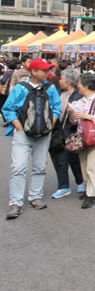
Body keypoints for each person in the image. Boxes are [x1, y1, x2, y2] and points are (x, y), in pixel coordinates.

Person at [3, 58, 62, 219]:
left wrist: (52, 121)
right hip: (23, 133)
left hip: (44, 133)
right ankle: (16, 202)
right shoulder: (21, 88)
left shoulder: (50, 88)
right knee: (18, 167)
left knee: (40, 166)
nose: (47, 72)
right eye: (44, 70)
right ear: (34, 72)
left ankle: (35, 197)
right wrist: (19, 127)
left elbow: (57, 107)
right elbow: (7, 109)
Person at [71, 72, 95, 209]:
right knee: (83, 165)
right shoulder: (79, 101)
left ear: (86, 85)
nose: (78, 87)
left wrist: (88, 116)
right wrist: (73, 114)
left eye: (79, 84)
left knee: (91, 166)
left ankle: (91, 195)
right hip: (82, 137)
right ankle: (91, 188)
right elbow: (74, 121)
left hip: (94, 138)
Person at [49, 68, 84, 199]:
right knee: (60, 160)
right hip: (58, 131)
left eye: (62, 78)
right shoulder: (57, 92)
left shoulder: (79, 95)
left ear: (69, 81)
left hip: (72, 131)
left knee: (73, 158)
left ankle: (80, 181)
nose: (60, 81)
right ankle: (63, 186)